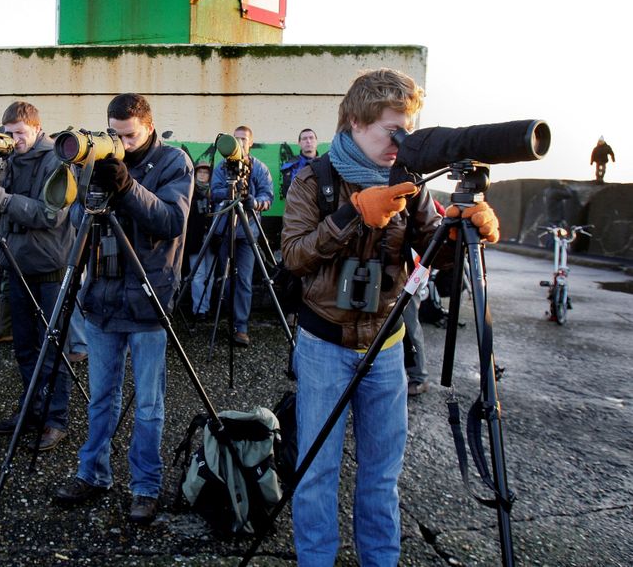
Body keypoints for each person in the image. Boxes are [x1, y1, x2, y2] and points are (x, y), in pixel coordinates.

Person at [281, 68, 500, 566]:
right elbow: (293, 256)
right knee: (317, 470)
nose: (401, 142)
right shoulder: (313, 181)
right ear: (356, 122)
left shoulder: (411, 183)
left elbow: (431, 255)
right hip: (323, 345)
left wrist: (463, 230)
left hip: (385, 345)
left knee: (382, 476)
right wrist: (353, 213)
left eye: (409, 129)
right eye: (392, 130)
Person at [54, 93, 193, 524]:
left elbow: (171, 222)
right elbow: (79, 219)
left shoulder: (175, 163)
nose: (122, 143)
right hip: (101, 296)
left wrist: (127, 186)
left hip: (148, 297)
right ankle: (92, 473)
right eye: (115, 134)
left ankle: (145, 486)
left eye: (130, 135)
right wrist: (88, 184)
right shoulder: (100, 155)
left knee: (149, 404)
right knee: (100, 399)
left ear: (149, 127)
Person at [0, 101, 75, 452]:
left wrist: (5, 200)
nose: (14, 139)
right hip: (15, 265)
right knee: (23, 347)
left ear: (37, 128)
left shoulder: (57, 159)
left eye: (20, 132)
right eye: (9, 133)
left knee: (51, 347)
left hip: (48, 266)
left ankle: (56, 418)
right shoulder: (8, 160)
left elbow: (52, 215)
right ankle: (31, 410)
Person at [210, 125, 273, 347]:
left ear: (251, 142)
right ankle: (224, 319)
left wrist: (253, 201)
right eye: (236, 139)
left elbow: (268, 196)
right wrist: (230, 193)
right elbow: (214, 191)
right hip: (225, 230)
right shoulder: (221, 167)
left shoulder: (260, 169)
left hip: (248, 232)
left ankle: (241, 327)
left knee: (244, 281)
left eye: (243, 139)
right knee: (225, 279)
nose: (239, 143)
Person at [186, 159, 215, 319]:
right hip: (195, 240)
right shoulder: (190, 191)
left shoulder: (214, 192)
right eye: (200, 172)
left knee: (209, 275)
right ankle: (198, 309)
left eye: (206, 172)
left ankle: (206, 306)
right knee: (197, 275)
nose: (203, 175)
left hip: (212, 240)